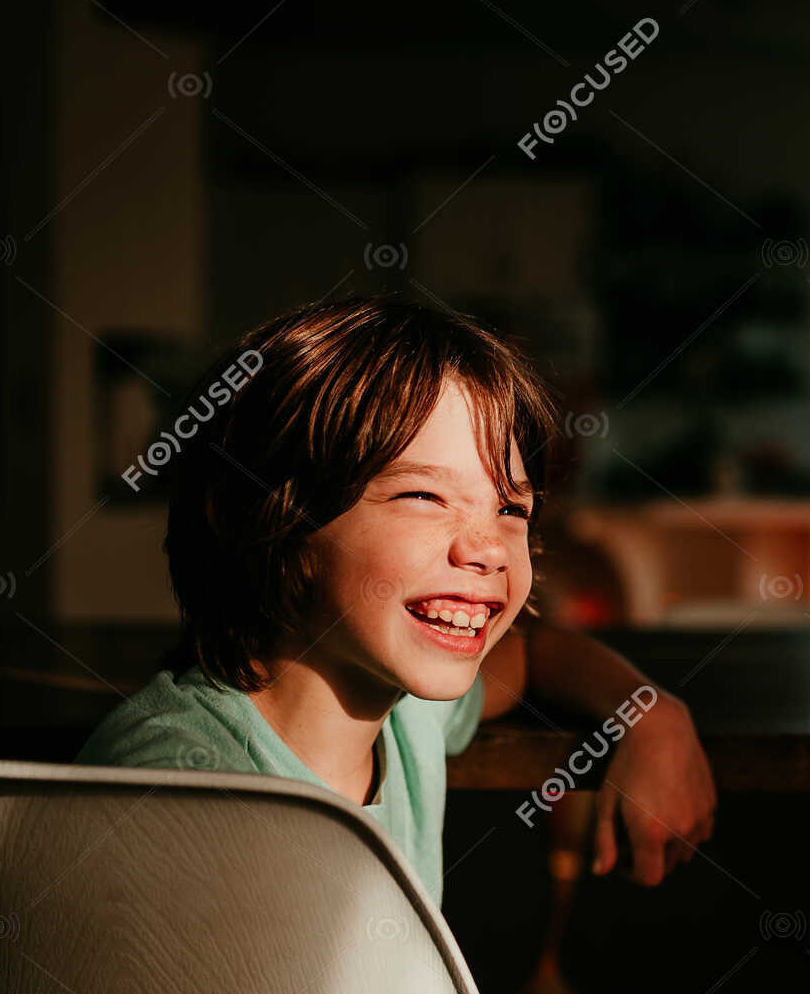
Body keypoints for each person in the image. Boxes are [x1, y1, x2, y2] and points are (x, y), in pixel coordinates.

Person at [77, 295, 717, 902]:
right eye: (423, 497)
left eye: (511, 508)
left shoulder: (407, 715)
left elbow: (534, 658)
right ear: (265, 517)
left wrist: (653, 715)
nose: (488, 548)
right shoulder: (179, 788)